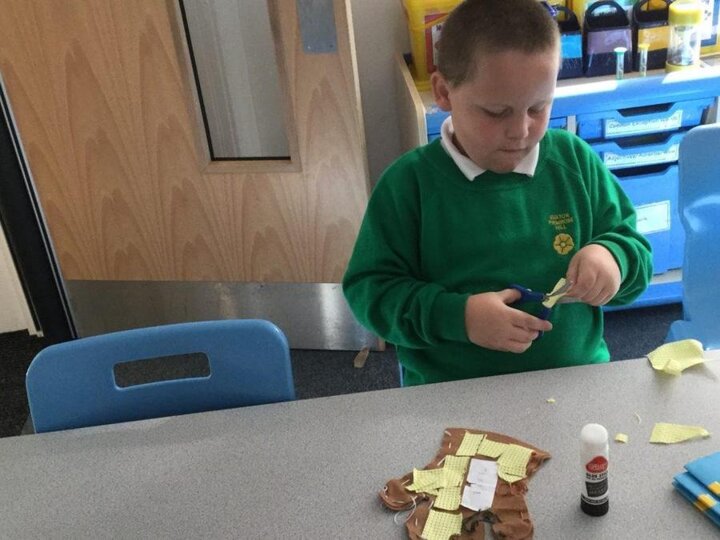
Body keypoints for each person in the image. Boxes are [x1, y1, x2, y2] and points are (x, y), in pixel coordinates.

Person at [343, 0, 653, 386]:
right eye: (496, 112)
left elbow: (635, 252)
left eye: (538, 108)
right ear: (443, 92)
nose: (520, 131)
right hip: (452, 395)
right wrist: (460, 318)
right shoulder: (408, 185)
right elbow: (370, 292)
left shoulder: (574, 161)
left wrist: (613, 259)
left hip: (577, 383)